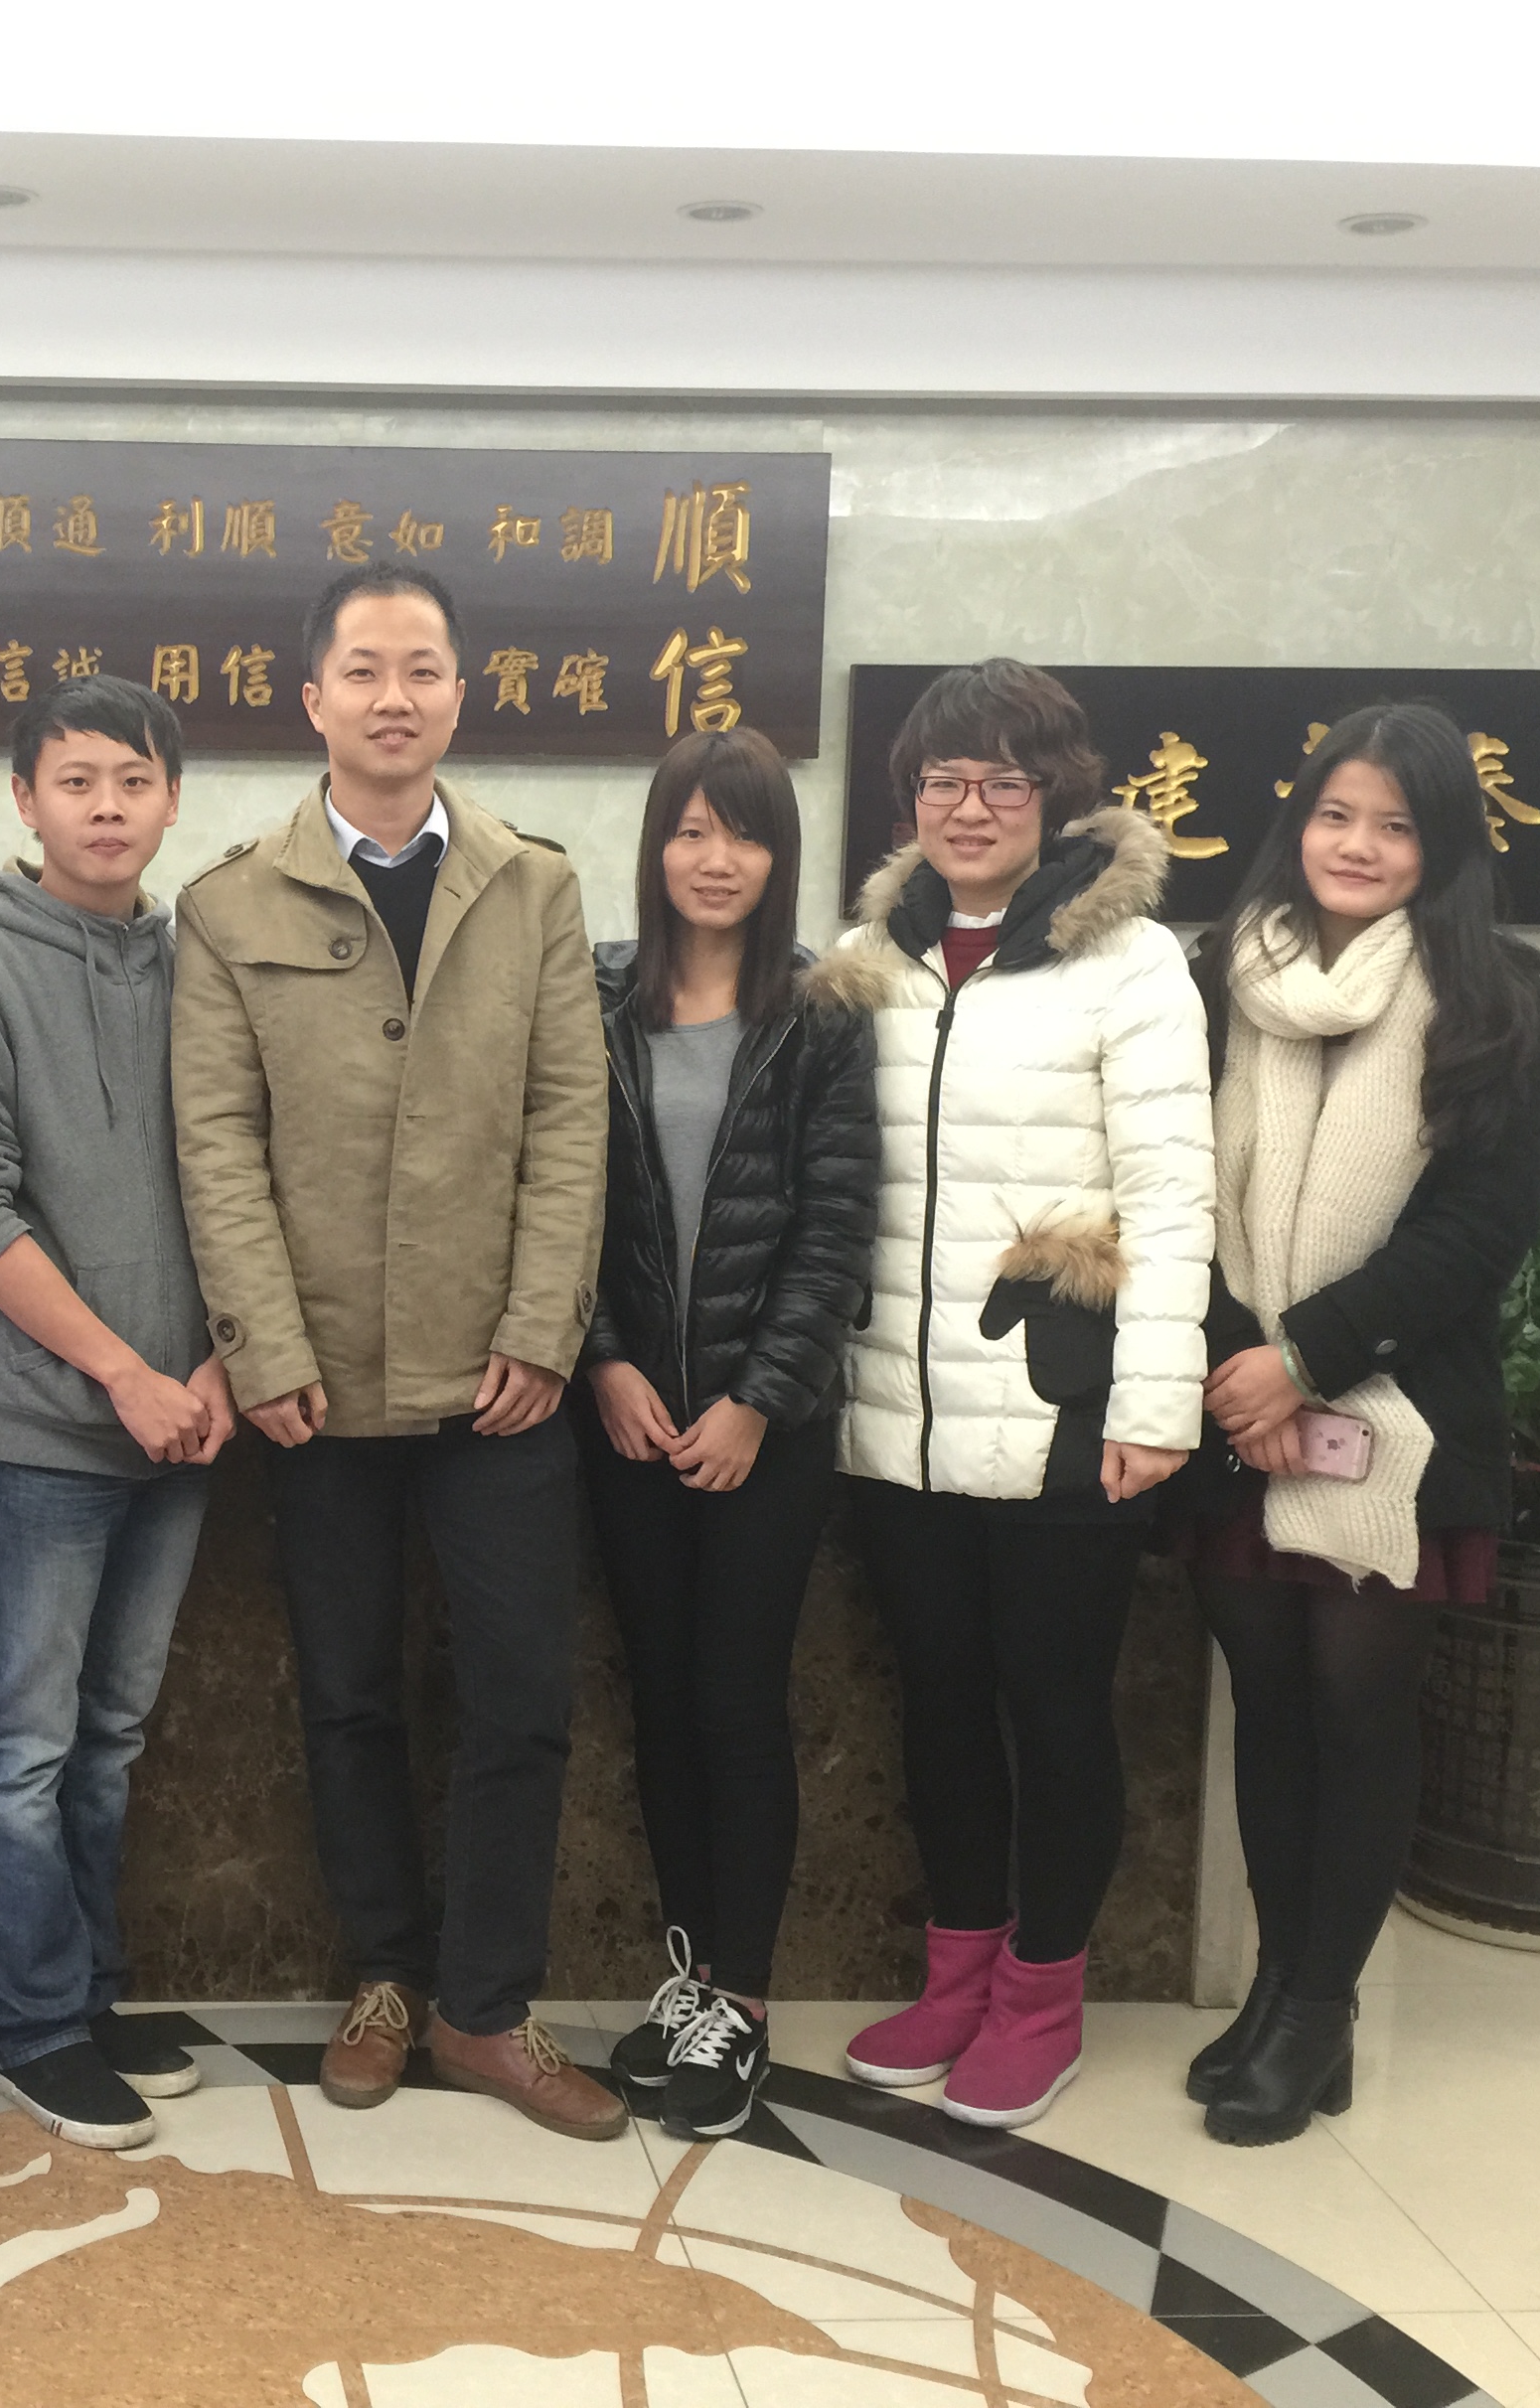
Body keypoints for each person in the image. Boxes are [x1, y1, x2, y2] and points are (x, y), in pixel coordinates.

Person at [173, 558, 617, 2140]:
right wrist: (263, 1344)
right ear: (313, 699)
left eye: (421, 668)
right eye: (362, 669)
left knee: (521, 1698)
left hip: (502, 1382)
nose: (393, 696)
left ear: (460, 695)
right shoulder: (229, 903)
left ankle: (485, 2009)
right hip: (320, 1382)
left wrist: (543, 1328)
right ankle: (381, 1976)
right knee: (348, 1693)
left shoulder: (533, 886)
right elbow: (217, 1140)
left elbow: (570, 1120)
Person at [816, 658, 1212, 2131]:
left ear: (1057, 798)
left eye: (1003, 780)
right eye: (943, 779)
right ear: (910, 796)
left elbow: (1172, 1195)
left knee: (1053, 1710)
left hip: (1062, 1416)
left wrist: (1154, 1405)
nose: (970, 807)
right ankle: (958, 1970)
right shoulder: (873, 958)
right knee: (935, 1707)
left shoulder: (1133, 965)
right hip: (894, 1412)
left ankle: (1042, 1998)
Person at [1178, 704, 1540, 2145]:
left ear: (1440, 845)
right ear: (1300, 822)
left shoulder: (1494, 997)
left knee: (1359, 1714)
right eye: (1336, 814)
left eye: (1395, 825)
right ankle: (1279, 1989)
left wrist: (1308, 1359)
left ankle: (1322, 2007)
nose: (1357, 845)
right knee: (1268, 1712)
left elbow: (1482, 1230)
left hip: (1399, 1418)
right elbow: (1174, 1184)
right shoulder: (1222, 975)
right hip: (1236, 1412)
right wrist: (1242, 1363)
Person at [0, 676, 236, 2152]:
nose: (106, 807)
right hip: (45, 1430)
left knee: (112, 1736)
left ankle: (89, 1994)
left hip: (189, 1423)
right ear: (25, 800)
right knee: (24, 1748)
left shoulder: (198, 964)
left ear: (172, 800)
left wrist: (220, 1362)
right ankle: (30, 2026)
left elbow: (246, 1170)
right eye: (76, 781)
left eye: (133, 781)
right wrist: (123, 1372)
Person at [581, 728, 879, 2141]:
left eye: (744, 833)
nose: (715, 859)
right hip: (629, 1417)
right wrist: (604, 1361)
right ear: (656, 847)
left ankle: (741, 2004)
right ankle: (688, 1976)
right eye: (690, 830)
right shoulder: (595, 1001)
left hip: (770, 1428)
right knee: (657, 1699)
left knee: (735, 1702)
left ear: (779, 856)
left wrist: (759, 1397)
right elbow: (560, 1203)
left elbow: (835, 1232)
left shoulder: (821, 1014)